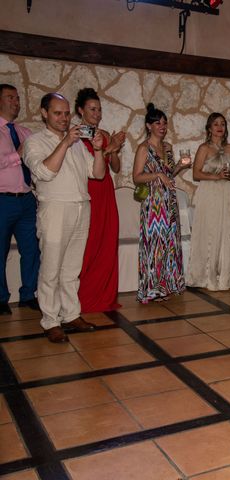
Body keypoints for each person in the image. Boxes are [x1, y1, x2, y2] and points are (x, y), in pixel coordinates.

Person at [23, 93, 106, 343]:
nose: (64, 118)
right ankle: (50, 320)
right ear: (44, 113)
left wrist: (100, 150)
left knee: (72, 268)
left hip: (81, 206)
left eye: (67, 113)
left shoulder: (79, 143)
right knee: (51, 268)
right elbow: (45, 172)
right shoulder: (35, 142)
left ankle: (71, 314)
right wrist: (65, 143)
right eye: (57, 113)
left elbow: (98, 174)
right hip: (55, 208)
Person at [188, 113, 230, 291]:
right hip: (209, 192)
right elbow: (196, 174)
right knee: (210, 233)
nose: (219, 127)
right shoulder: (204, 148)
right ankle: (207, 277)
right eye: (216, 124)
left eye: (223, 124)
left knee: (226, 233)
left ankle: (223, 277)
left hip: (226, 191)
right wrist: (215, 176)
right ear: (209, 128)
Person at [133, 103, 190, 303]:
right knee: (155, 246)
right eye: (158, 123)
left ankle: (168, 284)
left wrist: (181, 167)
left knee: (169, 244)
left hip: (169, 201)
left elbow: (170, 175)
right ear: (149, 126)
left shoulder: (168, 148)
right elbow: (137, 177)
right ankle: (152, 289)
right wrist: (157, 173)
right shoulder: (144, 148)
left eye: (165, 123)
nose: (162, 126)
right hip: (153, 205)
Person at [75, 88, 126, 313]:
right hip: (88, 190)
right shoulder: (75, 135)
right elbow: (84, 166)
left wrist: (113, 150)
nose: (97, 113)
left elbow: (115, 167)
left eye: (99, 109)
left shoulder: (104, 134)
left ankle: (104, 296)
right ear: (80, 111)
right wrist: (110, 148)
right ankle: (82, 297)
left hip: (106, 191)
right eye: (92, 109)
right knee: (89, 242)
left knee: (107, 240)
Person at [0, 84, 39, 316]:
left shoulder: (24, 132)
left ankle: (28, 294)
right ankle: (1, 299)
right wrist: (18, 154)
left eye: (17, 97)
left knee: (32, 249)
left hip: (26, 199)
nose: (16, 102)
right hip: (3, 200)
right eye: (10, 97)